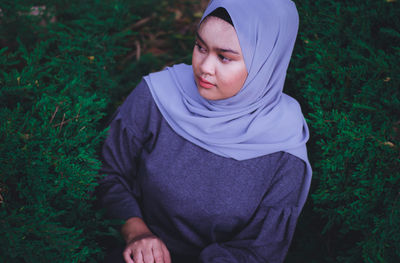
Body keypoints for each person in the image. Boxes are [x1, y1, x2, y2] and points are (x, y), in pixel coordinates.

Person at [97, 0, 312, 262]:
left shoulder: (283, 147)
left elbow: (259, 249)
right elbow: (107, 171)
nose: (205, 68)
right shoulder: (158, 97)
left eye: (224, 57)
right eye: (200, 47)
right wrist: (136, 232)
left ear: (266, 64)